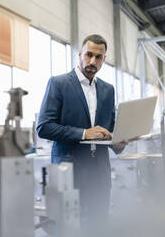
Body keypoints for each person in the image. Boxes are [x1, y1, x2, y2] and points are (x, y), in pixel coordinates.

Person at [37, 34, 127, 233]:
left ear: (104, 59)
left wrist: (118, 143)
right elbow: (44, 127)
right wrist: (84, 133)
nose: (92, 61)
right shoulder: (58, 83)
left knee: (98, 227)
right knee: (67, 229)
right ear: (79, 55)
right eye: (89, 55)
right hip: (69, 171)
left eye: (98, 57)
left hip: (99, 173)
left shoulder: (108, 90)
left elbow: (108, 131)